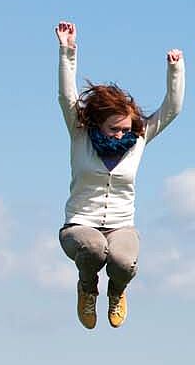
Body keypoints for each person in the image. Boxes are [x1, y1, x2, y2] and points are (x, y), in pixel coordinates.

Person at [55, 21, 184, 329]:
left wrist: (175, 71)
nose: (120, 135)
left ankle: (117, 289)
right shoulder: (79, 135)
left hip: (121, 226)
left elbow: (172, 109)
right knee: (94, 249)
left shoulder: (138, 140)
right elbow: (65, 95)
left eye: (125, 129)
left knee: (123, 262)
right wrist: (67, 50)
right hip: (80, 225)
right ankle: (87, 287)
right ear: (98, 124)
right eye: (114, 129)